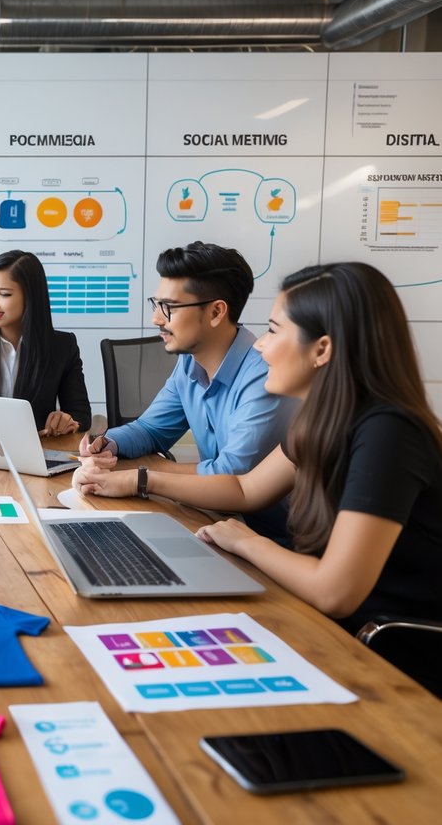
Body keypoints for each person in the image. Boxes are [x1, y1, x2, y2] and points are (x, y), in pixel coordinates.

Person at [74, 262, 442, 637]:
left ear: (322, 349)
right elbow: (246, 488)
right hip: (320, 615)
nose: (261, 344)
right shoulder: (324, 420)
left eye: (274, 330)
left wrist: (248, 541)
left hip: (384, 645)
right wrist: (137, 481)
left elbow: (334, 592)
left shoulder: (388, 433)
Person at [78, 241, 294, 537]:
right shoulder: (189, 363)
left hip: (272, 540)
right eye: (156, 304)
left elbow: (230, 474)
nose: (156, 319)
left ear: (216, 312)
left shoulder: (265, 375)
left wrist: (138, 477)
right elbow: (150, 430)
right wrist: (108, 444)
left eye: (169, 307)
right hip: (212, 523)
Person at [0, 250, 91, 435]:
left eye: (4, 294)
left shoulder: (63, 347)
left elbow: (81, 413)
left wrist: (68, 421)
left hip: (38, 449)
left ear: (30, 299)